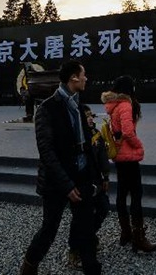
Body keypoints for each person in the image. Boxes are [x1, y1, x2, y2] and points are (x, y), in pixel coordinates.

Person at [19, 60, 102, 275]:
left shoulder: (80, 105)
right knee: (49, 229)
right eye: (83, 74)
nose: (86, 78)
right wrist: (66, 185)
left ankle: (91, 268)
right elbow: (46, 152)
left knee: (85, 228)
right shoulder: (47, 108)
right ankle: (29, 266)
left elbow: (87, 146)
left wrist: (96, 176)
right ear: (74, 77)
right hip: (57, 182)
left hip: (82, 177)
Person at [101, 75, 156, 253]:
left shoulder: (113, 106)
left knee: (121, 193)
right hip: (129, 156)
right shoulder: (125, 105)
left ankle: (125, 232)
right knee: (136, 195)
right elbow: (127, 132)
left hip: (119, 156)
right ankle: (138, 237)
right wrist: (139, 146)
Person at [65, 104, 110, 270]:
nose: (91, 118)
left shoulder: (96, 135)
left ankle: (89, 236)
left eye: (91, 115)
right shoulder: (76, 138)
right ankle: (74, 249)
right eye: (86, 116)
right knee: (79, 218)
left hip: (97, 181)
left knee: (104, 208)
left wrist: (105, 177)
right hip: (81, 183)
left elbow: (103, 157)